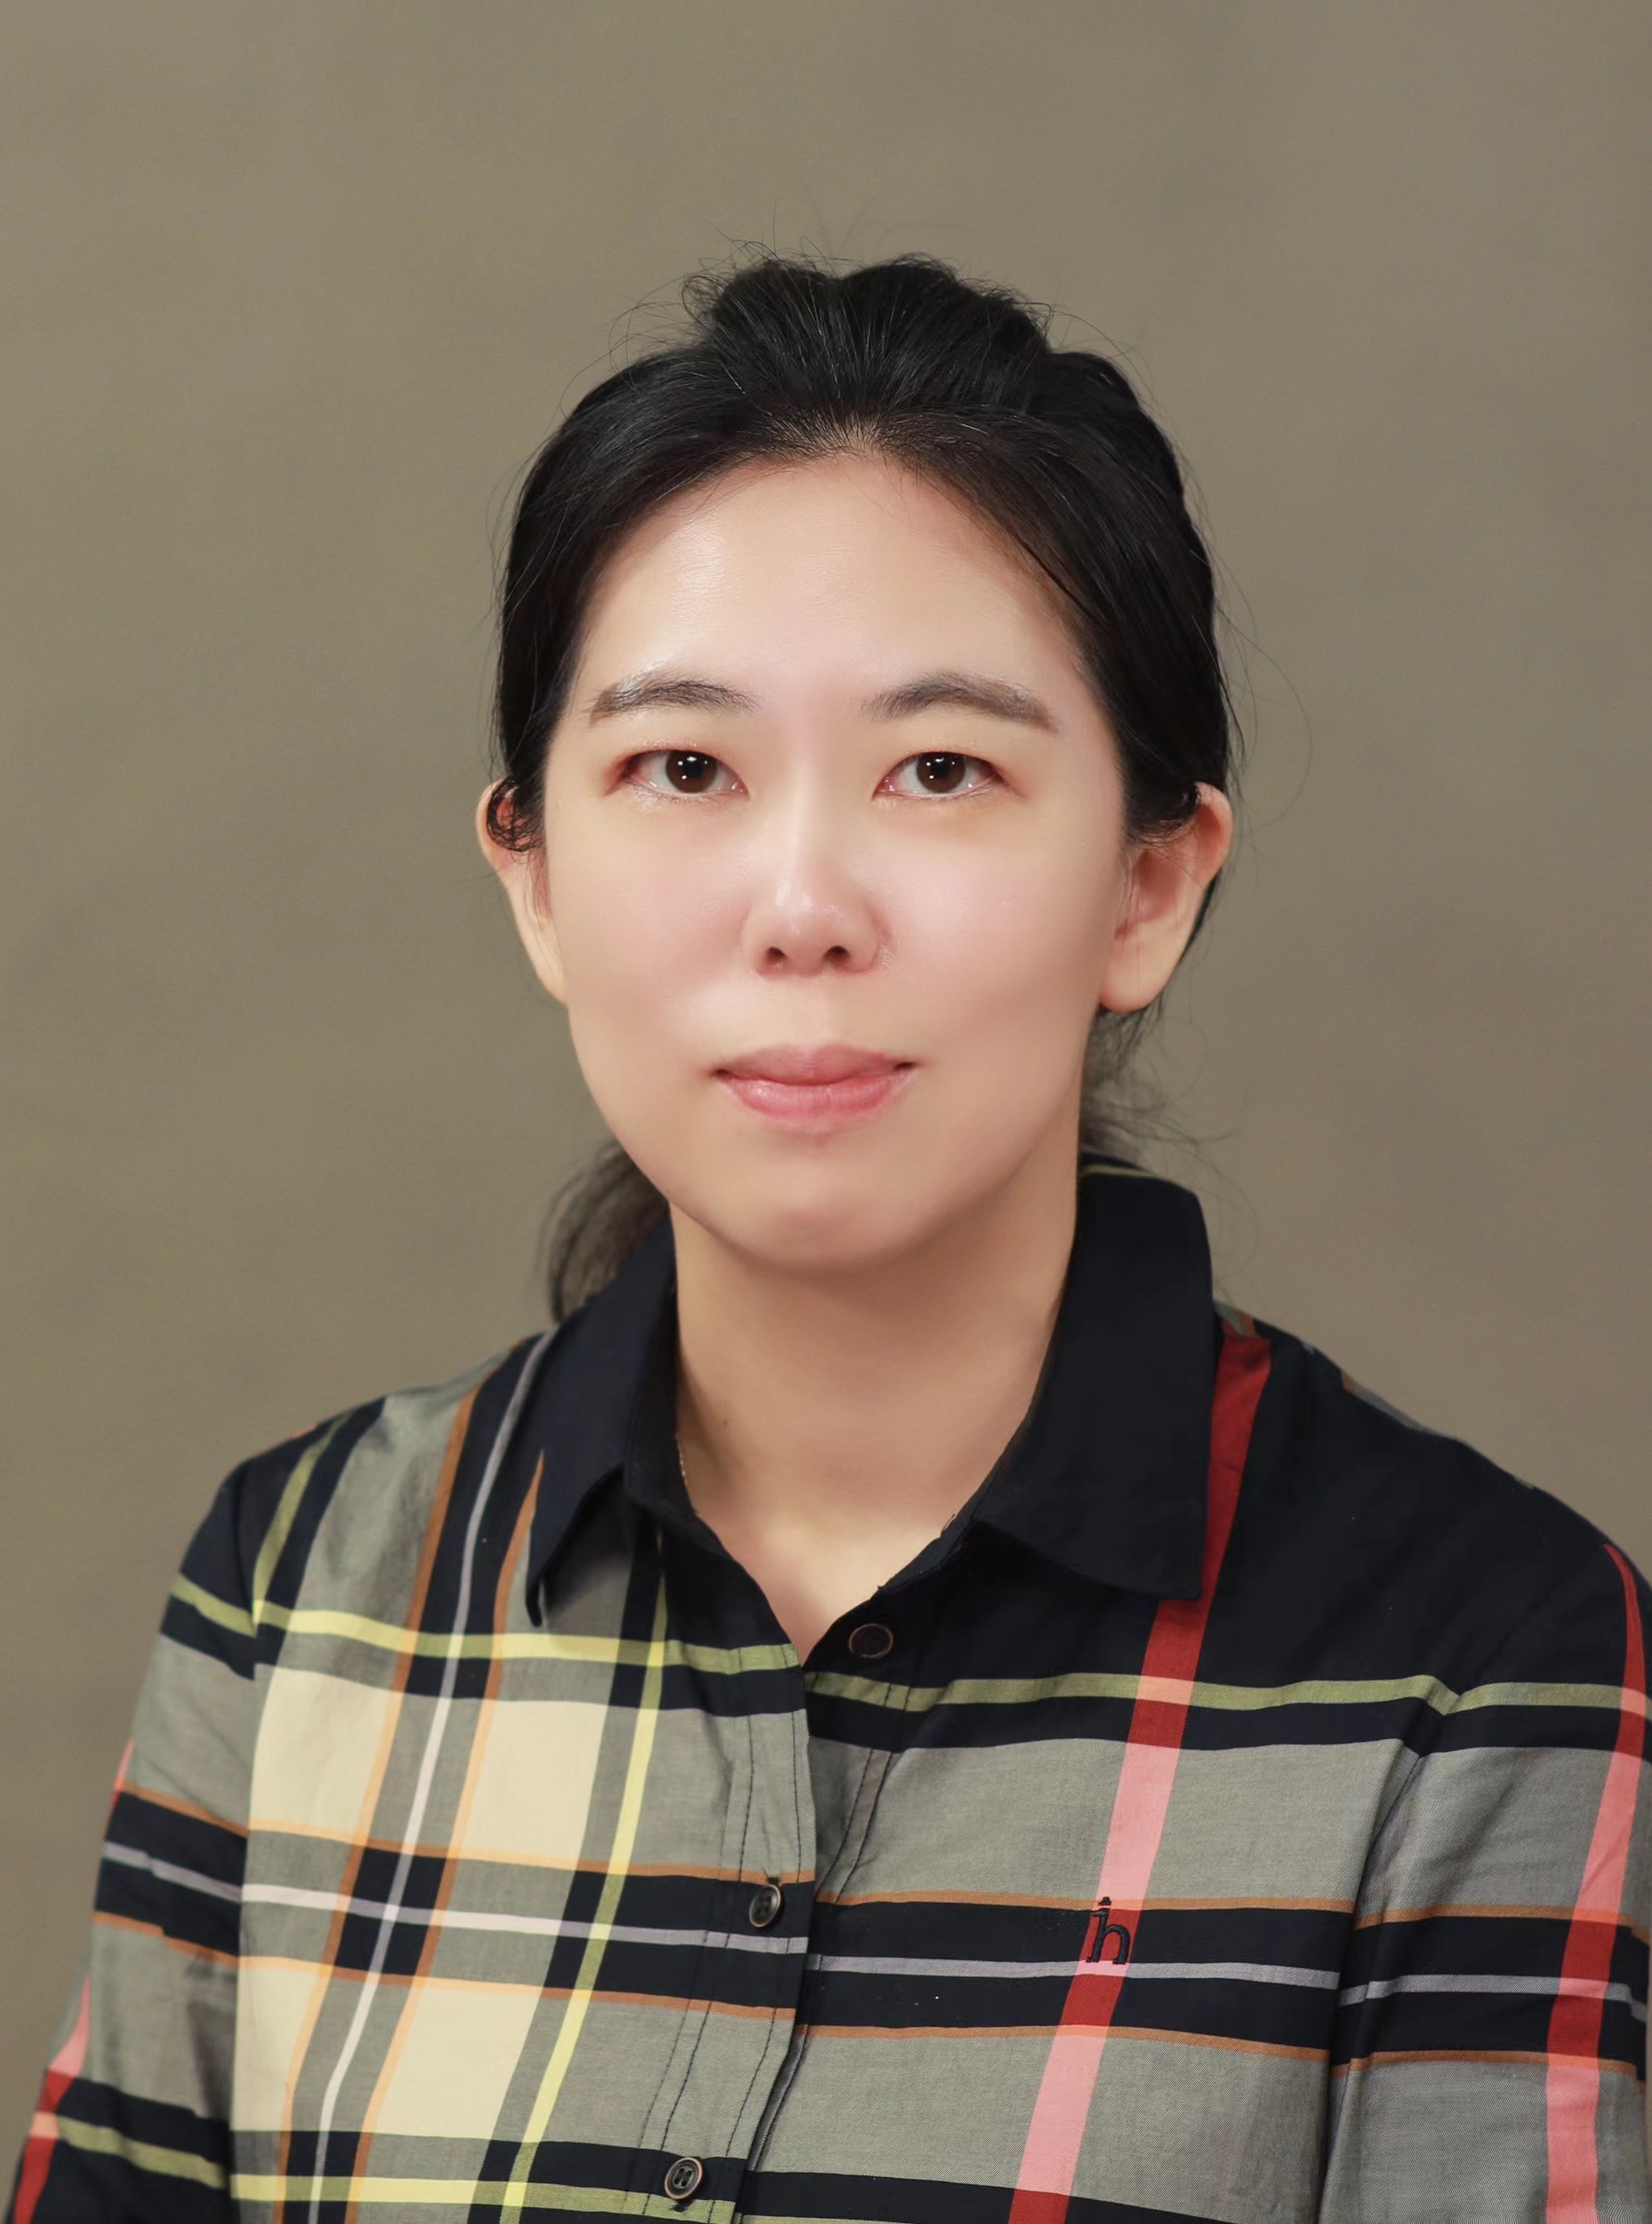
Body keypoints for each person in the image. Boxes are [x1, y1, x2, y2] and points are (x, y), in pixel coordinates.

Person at [9, 255, 1647, 2224]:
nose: (801, 904)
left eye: (940, 769)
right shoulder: (304, 1591)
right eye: (682, 768)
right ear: (533, 876)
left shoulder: (1474, 1661)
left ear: (1146, 886)